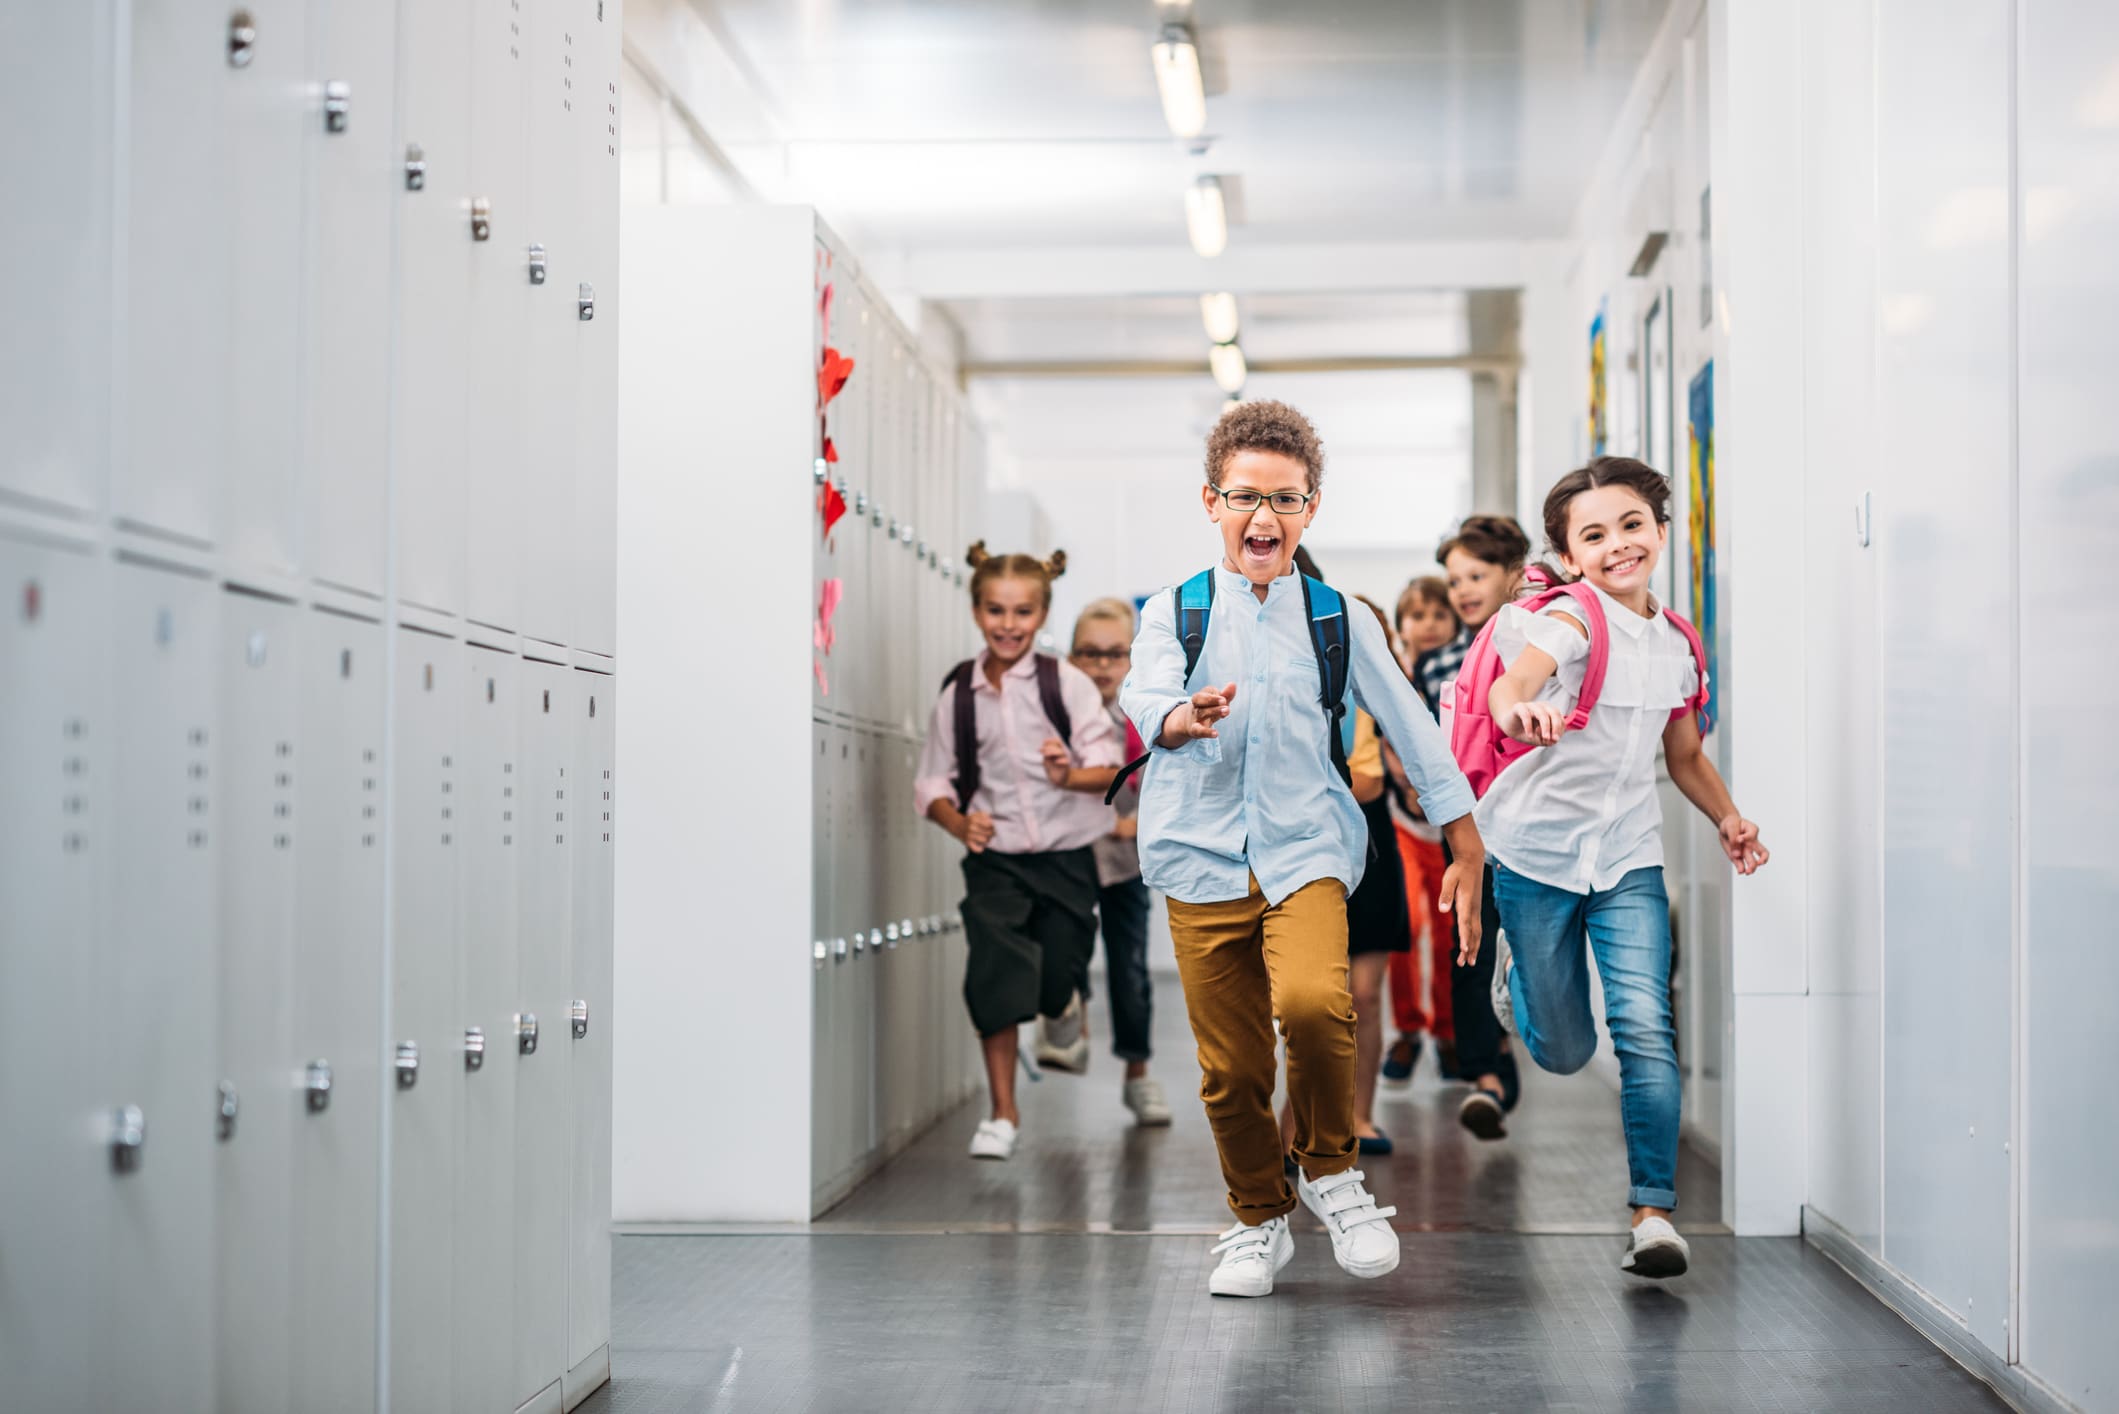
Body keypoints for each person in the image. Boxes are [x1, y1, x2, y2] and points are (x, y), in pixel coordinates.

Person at [1119, 399, 1486, 1298]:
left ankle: (1329, 1172)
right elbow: (1143, 699)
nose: (1263, 518)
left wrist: (1466, 844)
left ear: (1310, 509)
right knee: (1230, 1068)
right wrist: (1179, 717)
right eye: (1245, 498)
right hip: (1199, 856)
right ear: (1212, 502)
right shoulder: (1173, 611)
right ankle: (1255, 1220)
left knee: (1320, 1007)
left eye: (1284, 501)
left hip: (1305, 850)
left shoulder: (1338, 617)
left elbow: (1412, 725)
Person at [1481, 456, 1768, 1278]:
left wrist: (1728, 817)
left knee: (1645, 1028)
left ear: (1660, 532)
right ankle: (1522, 978)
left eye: (1631, 525)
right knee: (1566, 1051)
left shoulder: (1677, 641)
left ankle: (1652, 1214)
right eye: (1593, 535)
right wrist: (1522, 708)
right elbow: (1511, 688)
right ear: (1569, 556)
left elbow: (1682, 754)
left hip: (1627, 855)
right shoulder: (1569, 620)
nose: (1617, 545)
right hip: (1533, 852)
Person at [914, 544, 1123, 1161]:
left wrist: (1068, 775)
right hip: (996, 856)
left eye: (1023, 612)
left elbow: (1110, 768)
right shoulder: (959, 692)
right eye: (996, 611)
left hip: (1065, 856)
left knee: (1058, 971)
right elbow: (932, 781)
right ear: (977, 611)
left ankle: (1064, 1005)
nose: (1009, 624)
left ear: (1042, 614)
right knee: (995, 973)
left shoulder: (1070, 685)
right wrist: (959, 823)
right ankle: (1002, 1111)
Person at [1425, 515, 1533, 1139]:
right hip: (1467, 827)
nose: (1463, 589)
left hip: (1527, 827)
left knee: (1520, 951)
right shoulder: (1440, 661)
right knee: (1468, 943)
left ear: (1513, 575)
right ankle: (1486, 1076)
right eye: (1454, 579)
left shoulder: (1536, 644)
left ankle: (1507, 1053)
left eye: (1476, 575)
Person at [1068, 597, 1172, 1126]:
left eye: (1116, 654)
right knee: (1066, 950)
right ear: (1070, 658)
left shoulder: (1143, 713)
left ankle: (1138, 1073)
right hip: (1068, 855)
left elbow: (1167, 782)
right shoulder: (1059, 711)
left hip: (1125, 859)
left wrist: (1133, 825)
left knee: (1128, 968)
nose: (1103, 666)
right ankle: (1072, 1028)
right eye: (1089, 653)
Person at [1380, 576, 1462, 1088]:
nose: (1428, 625)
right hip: (1404, 821)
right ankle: (1407, 1030)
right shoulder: (1390, 675)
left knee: (1449, 932)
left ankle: (1448, 1034)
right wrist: (1406, 781)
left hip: (1452, 828)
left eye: (1439, 615)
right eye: (1417, 616)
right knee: (1405, 926)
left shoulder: (1458, 673)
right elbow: (1383, 734)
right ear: (1401, 625)